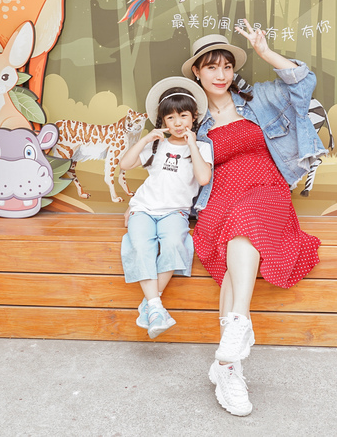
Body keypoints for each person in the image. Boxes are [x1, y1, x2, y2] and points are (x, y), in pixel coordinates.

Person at [184, 24, 325, 417]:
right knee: (235, 239)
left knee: (245, 223)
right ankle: (230, 364)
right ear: (196, 71)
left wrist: (266, 53)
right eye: (211, 67)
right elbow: (175, 170)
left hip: (267, 188)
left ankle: (236, 335)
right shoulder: (191, 118)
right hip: (219, 198)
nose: (220, 74)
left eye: (226, 66)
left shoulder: (257, 97)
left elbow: (303, 83)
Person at [119, 77, 213, 339]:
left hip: (175, 212)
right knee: (140, 246)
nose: (178, 123)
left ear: (194, 117)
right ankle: (157, 307)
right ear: (163, 121)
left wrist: (192, 143)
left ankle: (151, 305)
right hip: (144, 208)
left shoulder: (202, 147)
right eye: (171, 118)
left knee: (173, 244)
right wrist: (146, 137)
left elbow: (203, 178)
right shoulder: (156, 144)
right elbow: (126, 164)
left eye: (184, 116)